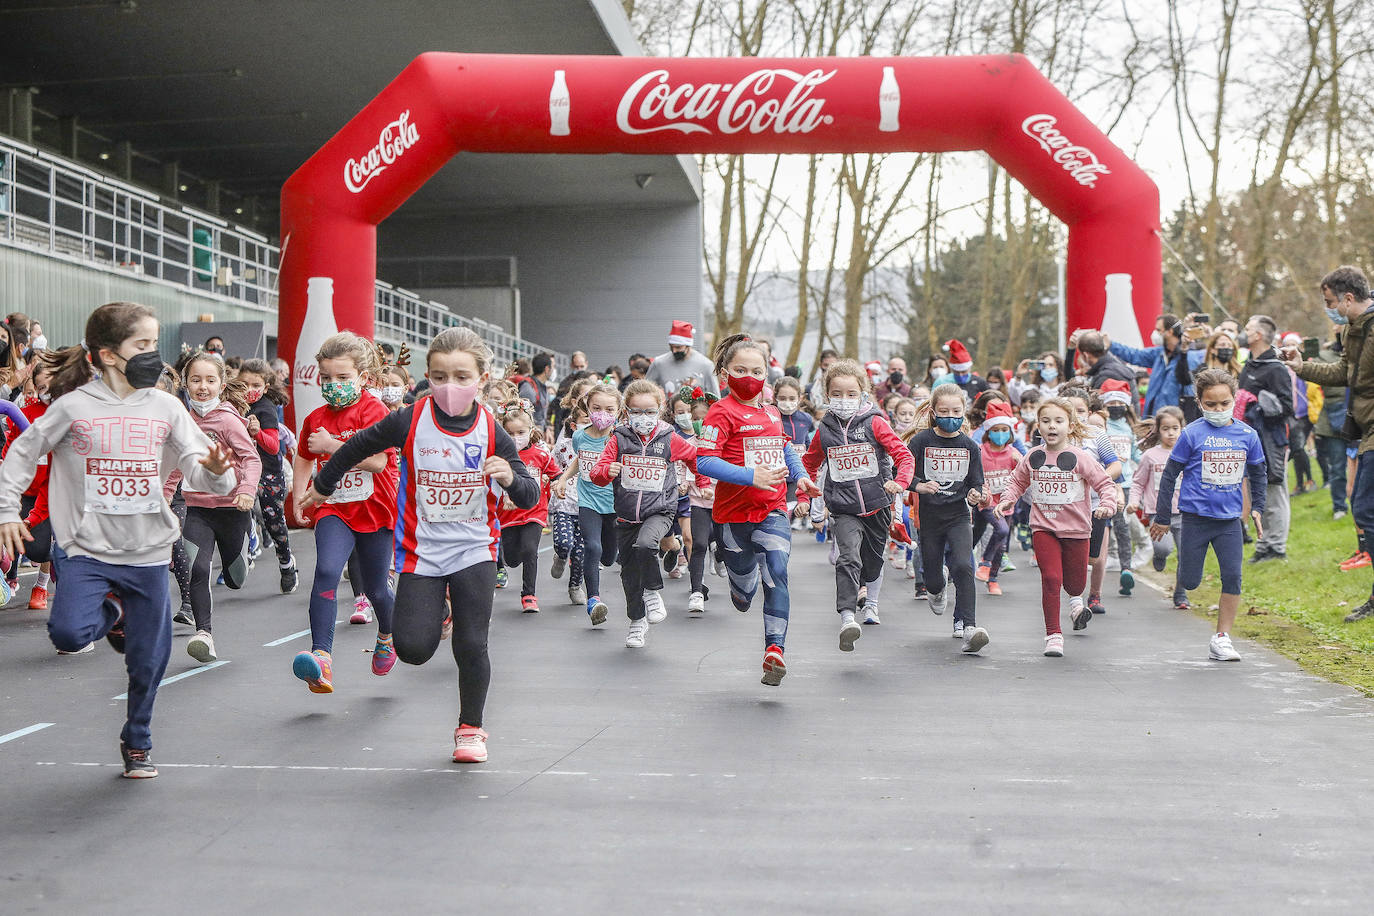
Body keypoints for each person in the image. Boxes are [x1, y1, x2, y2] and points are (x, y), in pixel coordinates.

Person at [0, 302, 237, 777]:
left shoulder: (167, 407)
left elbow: (196, 465)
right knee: (67, 633)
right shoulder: (73, 407)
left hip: (148, 552)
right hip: (86, 549)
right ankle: (113, 614)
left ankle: (138, 741)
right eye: (143, 346)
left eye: (155, 345)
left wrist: (216, 474)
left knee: (149, 660)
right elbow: (24, 453)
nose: (154, 355)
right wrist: (6, 511)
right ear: (108, 355)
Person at [301, 327, 538, 763]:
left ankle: (471, 729)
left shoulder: (491, 430)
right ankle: (439, 613)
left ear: (482, 379)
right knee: (411, 648)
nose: (450, 386)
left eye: (461, 376)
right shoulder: (411, 419)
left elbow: (529, 494)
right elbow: (355, 446)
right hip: (421, 553)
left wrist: (509, 477)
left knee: (472, 644)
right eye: (440, 376)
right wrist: (321, 485)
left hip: (474, 552)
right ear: (427, 377)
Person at [696, 333, 820, 685]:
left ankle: (774, 650)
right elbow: (704, 461)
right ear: (725, 373)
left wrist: (801, 477)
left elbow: (785, 450)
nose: (749, 376)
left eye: (757, 370)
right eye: (740, 369)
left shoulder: (771, 412)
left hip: (773, 509)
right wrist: (750, 475)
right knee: (745, 589)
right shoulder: (721, 413)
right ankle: (738, 584)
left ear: (767, 373)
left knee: (777, 572)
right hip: (732, 516)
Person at [290, 332, 400, 693]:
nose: (333, 385)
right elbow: (304, 456)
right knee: (325, 570)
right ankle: (321, 658)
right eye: (326, 378)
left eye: (342, 378)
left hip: (375, 508)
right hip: (333, 507)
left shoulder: (373, 410)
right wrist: (299, 495)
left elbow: (378, 461)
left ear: (363, 378)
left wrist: (333, 445)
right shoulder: (316, 416)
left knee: (375, 589)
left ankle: (387, 634)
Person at [1151, 369, 1267, 660]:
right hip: (1194, 519)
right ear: (1200, 403)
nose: (1218, 410)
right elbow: (1169, 476)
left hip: (1229, 521)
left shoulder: (1247, 435)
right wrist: (1163, 517)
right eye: (1211, 404)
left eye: (1224, 404)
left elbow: (1259, 472)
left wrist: (1257, 508)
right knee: (1190, 581)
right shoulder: (1192, 434)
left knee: (1233, 577)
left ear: (1234, 400)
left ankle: (1222, 638)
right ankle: (1184, 578)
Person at [800, 359, 914, 653]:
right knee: (848, 558)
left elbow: (904, 456)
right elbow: (808, 466)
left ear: (863, 393)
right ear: (827, 395)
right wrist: (806, 497)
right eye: (837, 394)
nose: (844, 400)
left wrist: (900, 482)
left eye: (851, 394)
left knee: (873, 563)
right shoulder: (824, 430)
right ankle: (848, 617)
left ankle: (872, 604)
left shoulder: (875, 422)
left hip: (878, 503)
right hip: (843, 507)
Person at [997, 397, 1118, 657]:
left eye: (1059, 421)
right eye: (1046, 421)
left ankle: (1075, 598)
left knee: (1075, 586)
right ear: (1037, 426)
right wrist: (1007, 500)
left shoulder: (1080, 457)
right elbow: (1017, 481)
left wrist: (1108, 505)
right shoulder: (1033, 456)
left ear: (1070, 426)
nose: (1052, 426)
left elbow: (1105, 484)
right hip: (1044, 527)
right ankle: (1053, 634)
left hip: (1076, 530)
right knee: (1051, 579)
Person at [1286, 266, 1374, 620]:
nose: (1329, 308)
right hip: (1366, 427)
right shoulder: (1354, 330)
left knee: (1365, 508)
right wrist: (1301, 365)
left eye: (1330, 302)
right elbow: (1343, 373)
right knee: (1364, 507)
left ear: (1348, 298)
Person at [589, 380, 703, 647]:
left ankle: (653, 591)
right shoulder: (618, 437)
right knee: (629, 575)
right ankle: (637, 623)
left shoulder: (669, 437)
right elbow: (597, 473)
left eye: (650, 411)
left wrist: (705, 483)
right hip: (627, 515)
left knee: (645, 545)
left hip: (660, 510)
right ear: (626, 411)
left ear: (660, 409)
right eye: (637, 412)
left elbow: (695, 458)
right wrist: (608, 471)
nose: (643, 417)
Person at [166, 353, 261, 665]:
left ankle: (245, 550)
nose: (202, 387)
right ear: (185, 384)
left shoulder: (228, 420)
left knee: (235, 580)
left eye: (209, 380)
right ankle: (204, 634)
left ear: (221, 384)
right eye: (196, 380)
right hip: (198, 510)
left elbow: (251, 459)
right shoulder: (184, 421)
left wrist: (246, 491)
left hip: (233, 509)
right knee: (198, 568)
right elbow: (176, 466)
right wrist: (163, 498)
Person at [908, 383, 991, 652]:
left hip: (958, 515)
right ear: (933, 412)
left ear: (964, 412)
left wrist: (975, 494)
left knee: (964, 566)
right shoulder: (921, 442)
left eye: (956, 411)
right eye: (944, 411)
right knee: (932, 575)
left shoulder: (970, 446)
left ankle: (969, 627)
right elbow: (904, 472)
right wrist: (919, 485)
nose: (950, 416)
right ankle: (936, 587)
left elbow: (976, 482)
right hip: (930, 517)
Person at [551, 383, 622, 624]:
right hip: (588, 500)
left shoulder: (621, 438)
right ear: (588, 409)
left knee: (609, 557)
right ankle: (594, 601)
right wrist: (562, 479)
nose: (603, 413)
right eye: (597, 408)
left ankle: (599, 572)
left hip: (614, 504)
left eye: (609, 409)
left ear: (619, 411)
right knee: (593, 547)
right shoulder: (580, 435)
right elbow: (579, 461)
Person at [236, 358, 298, 593]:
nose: (249, 390)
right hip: (240, 471)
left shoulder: (265, 408)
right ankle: (246, 550)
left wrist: (257, 432)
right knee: (238, 511)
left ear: (266, 387)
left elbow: (273, 446)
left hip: (268, 472)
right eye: (244, 384)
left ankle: (286, 564)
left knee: (274, 522)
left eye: (255, 385)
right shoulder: (232, 404)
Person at [493, 399, 556, 613]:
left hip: (534, 512)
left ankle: (529, 595)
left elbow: (555, 473)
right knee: (511, 559)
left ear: (531, 430)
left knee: (530, 550)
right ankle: (510, 562)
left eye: (520, 432)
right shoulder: (498, 456)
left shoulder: (541, 455)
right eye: (509, 433)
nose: (515, 438)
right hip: (507, 515)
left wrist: (557, 483)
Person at [1238, 315, 1293, 562]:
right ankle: (1263, 546)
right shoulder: (1250, 365)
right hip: (1250, 439)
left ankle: (1277, 547)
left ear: (1258, 335)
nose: (1244, 332)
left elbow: (1286, 407)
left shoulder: (1276, 368)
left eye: (1247, 329)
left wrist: (1259, 406)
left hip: (1272, 441)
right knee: (1258, 492)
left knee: (1274, 492)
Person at [1128, 406, 1186, 608]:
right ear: (1158, 431)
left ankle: (1181, 594)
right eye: (1166, 429)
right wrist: (1134, 502)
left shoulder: (1188, 453)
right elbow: (1138, 482)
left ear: (1181, 429)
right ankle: (1159, 556)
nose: (1171, 433)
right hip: (1158, 515)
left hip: (1186, 513)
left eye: (1175, 428)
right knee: (1164, 547)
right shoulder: (1150, 456)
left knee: (1186, 556)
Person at [1098, 315, 1205, 415]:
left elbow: (1189, 386)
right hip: (1154, 416)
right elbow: (1135, 355)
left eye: (1159, 330)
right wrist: (1111, 345)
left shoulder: (1189, 357)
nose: (1155, 333)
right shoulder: (1159, 353)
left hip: (1176, 418)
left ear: (1170, 332)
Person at [974, 401, 1019, 596]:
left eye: (1004, 429)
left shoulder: (1013, 453)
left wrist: (1020, 463)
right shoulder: (980, 451)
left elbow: (1024, 474)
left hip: (1007, 503)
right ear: (988, 431)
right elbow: (974, 474)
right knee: (1001, 530)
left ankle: (992, 579)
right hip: (986, 503)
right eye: (996, 429)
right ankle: (984, 562)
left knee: (995, 540)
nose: (1000, 434)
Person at [1311, 332, 1349, 519]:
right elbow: (1323, 382)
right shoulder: (1325, 357)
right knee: (1337, 467)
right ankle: (1339, 506)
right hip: (1335, 419)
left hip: (1364, 418)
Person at [644, 320, 719, 397]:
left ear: (688, 345)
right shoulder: (658, 363)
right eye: (671, 347)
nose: (674, 351)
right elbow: (644, 391)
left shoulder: (706, 365)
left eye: (678, 347)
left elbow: (715, 396)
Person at [518, 353, 553, 428]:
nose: (553, 371)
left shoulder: (542, 388)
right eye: (552, 367)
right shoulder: (528, 388)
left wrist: (546, 429)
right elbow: (523, 416)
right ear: (547, 369)